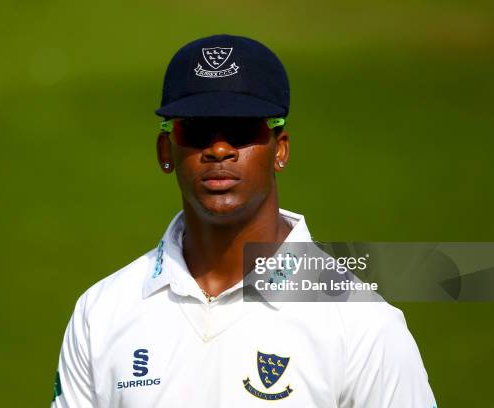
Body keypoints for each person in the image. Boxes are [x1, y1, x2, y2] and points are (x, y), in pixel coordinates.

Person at [51, 34, 437, 407]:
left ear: (280, 150)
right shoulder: (101, 312)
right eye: (197, 131)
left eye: (241, 130)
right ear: (165, 150)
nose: (219, 149)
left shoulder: (362, 323)